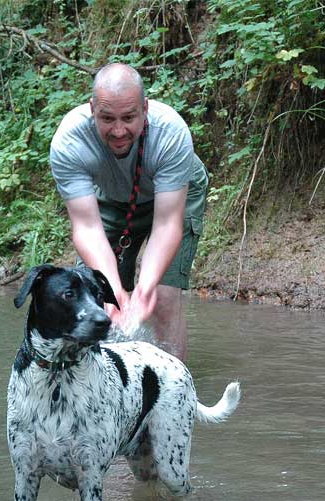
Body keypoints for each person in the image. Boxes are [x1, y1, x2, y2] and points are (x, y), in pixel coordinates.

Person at [50, 63, 208, 360]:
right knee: (98, 296)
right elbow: (86, 227)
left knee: (161, 297)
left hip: (177, 196)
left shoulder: (171, 132)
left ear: (145, 109)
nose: (119, 130)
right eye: (107, 118)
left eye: (129, 117)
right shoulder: (70, 142)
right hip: (112, 199)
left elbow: (165, 225)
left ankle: (175, 392)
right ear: (92, 109)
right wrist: (112, 286)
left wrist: (145, 287)